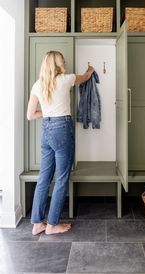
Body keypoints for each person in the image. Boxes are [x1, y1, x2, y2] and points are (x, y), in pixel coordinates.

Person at [27, 50, 94, 235]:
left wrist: (47, 114)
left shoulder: (37, 85)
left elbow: (30, 115)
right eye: (62, 60)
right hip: (62, 129)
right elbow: (85, 77)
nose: (64, 62)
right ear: (57, 64)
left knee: (44, 177)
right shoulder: (66, 79)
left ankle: (36, 224)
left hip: (46, 130)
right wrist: (89, 70)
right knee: (62, 177)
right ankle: (52, 225)